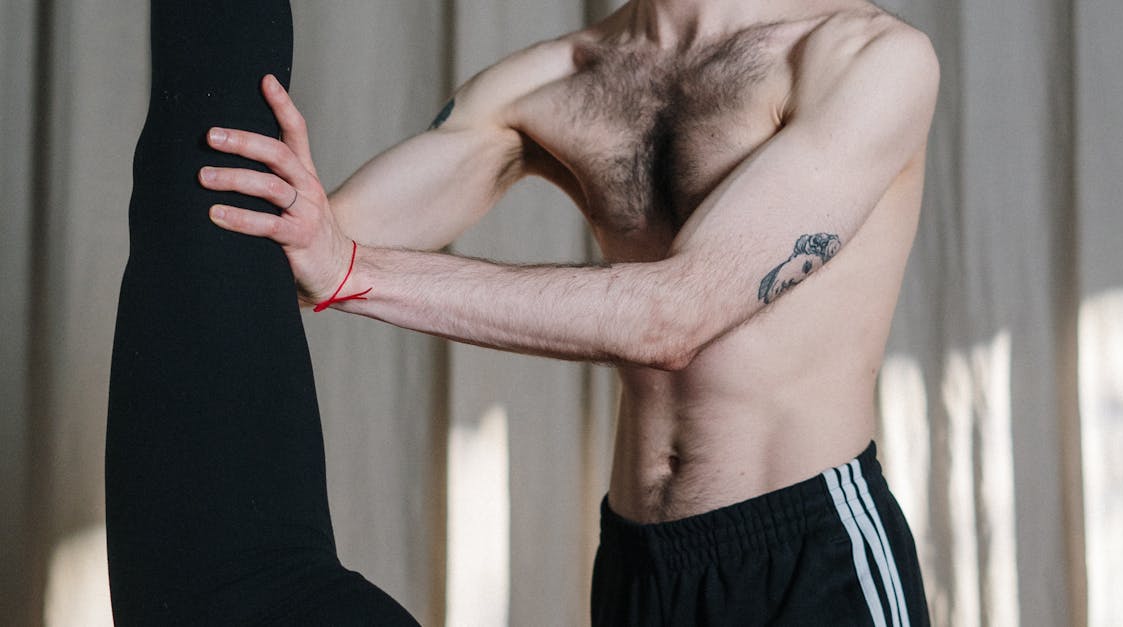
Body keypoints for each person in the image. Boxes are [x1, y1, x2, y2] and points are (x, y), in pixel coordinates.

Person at [201, 0, 939, 624]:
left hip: (807, 555)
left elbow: (673, 315)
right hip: (639, 559)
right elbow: (307, 256)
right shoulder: (562, 76)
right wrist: (280, 216)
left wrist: (351, 271)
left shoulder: (867, 59)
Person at [105, 1, 418, 624]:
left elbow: (667, 325)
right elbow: (324, 235)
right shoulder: (548, 80)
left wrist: (343, 267)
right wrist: (298, 236)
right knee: (223, 168)